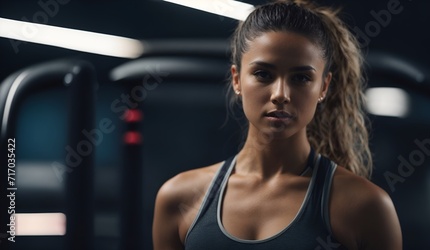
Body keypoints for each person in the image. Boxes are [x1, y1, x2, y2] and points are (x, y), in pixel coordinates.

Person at [153, 0, 402, 249]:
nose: (281, 94)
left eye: (301, 77)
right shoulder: (178, 198)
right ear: (237, 79)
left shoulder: (365, 206)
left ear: (323, 87)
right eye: (263, 74)